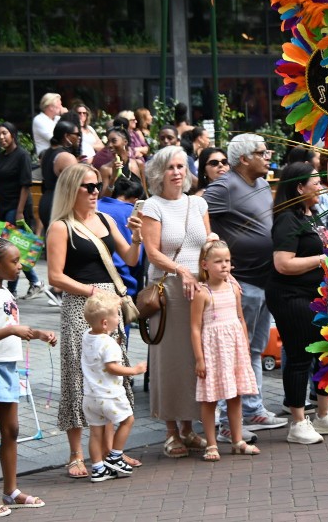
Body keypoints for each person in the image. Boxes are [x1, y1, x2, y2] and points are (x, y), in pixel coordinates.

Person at [46, 163, 143, 480]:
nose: (95, 191)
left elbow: (129, 258)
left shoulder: (106, 218)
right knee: (78, 375)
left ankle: (112, 451)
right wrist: (95, 292)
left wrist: (138, 237)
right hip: (81, 308)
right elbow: (55, 276)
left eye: (98, 185)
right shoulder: (61, 227)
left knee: (113, 373)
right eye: (89, 186)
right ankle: (76, 454)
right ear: (72, 190)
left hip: (110, 308)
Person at [203, 134, 288, 434]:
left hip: (265, 280)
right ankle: (228, 421)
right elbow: (197, 211)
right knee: (236, 350)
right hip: (242, 282)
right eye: (262, 153)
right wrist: (214, 249)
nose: (268, 157)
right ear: (244, 159)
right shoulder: (225, 186)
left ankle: (252, 409)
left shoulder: (263, 184)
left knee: (253, 348)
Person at [0, 235, 55, 518]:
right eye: (14, 261)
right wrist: (12, 331)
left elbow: (8, 324)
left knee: (12, 430)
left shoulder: (4, 292)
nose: (20, 266)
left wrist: (37, 333)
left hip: (6, 367)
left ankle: (11, 490)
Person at [268, 161, 328, 444]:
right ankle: (297, 421)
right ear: (299, 187)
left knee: (322, 353)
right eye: (315, 183)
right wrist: (320, 260)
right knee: (298, 356)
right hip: (291, 296)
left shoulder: (312, 215)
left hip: (315, 295)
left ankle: (323, 414)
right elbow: (282, 263)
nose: (320, 187)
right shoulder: (287, 219)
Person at [139, 146, 216, 456]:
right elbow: (152, 251)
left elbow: (208, 242)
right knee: (169, 361)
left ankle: (189, 427)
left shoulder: (198, 203)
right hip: (168, 291)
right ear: (160, 172)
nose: (177, 172)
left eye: (182, 166)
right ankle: (171, 431)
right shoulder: (152, 207)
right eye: (171, 166)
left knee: (194, 359)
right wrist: (180, 270)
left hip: (197, 289)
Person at [192, 239, 261, 461]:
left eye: (227, 261)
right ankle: (211, 444)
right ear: (205, 265)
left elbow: (240, 318)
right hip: (213, 349)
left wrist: (245, 345)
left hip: (234, 347)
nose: (224, 265)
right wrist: (199, 358)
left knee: (235, 394)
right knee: (210, 398)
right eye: (218, 261)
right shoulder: (202, 293)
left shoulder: (234, 288)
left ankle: (237, 440)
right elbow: (195, 328)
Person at [80, 293, 147, 483]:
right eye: (117, 316)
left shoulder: (87, 336)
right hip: (110, 395)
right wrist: (134, 370)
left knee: (95, 433)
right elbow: (112, 367)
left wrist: (113, 303)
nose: (119, 319)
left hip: (90, 396)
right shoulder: (109, 344)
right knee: (128, 420)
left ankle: (98, 468)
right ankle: (115, 456)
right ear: (104, 323)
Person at [0, 122, 46, 300]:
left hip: (18, 206)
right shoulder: (0, 156)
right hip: (3, 205)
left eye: (5, 133)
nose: (1, 137)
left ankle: (13, 288)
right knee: (14, 247)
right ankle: (33, 282)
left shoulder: (22, 156)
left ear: (13, 134)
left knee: (11, 247)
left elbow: (25, 186)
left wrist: (19, 212)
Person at [96, 176, 145, 309]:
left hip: (93, 277)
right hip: (121, 278)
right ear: (136, 200)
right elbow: (137, 259)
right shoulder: (132, 213)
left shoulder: (95, 206)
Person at [36, 119, 81, 237]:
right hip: (59, 204)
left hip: (46, 201)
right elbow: (77, 185)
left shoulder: (46, 153)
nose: (79, 137)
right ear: (66, 136)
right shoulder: (66, 157)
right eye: (77, 134)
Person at [99, 129, 147, 199]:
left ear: (125, 142)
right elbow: (103, 200)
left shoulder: (138, 164)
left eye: (114, 141)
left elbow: (144, 193)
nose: (109, 145)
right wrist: (113, 178)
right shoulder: (105, 169)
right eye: (108, 142)